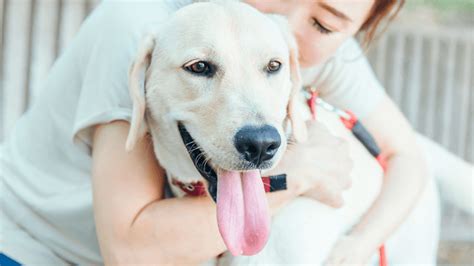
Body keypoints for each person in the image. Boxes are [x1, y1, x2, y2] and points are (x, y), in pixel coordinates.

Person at [0, 0, 441, 265]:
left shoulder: (301, 47)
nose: (289, 22)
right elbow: (132, 253)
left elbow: (408, 155)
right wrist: (293, 174)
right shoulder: (144, 27)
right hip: (33, 248)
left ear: (352, 33)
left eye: (325, 24)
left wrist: (361, 244)